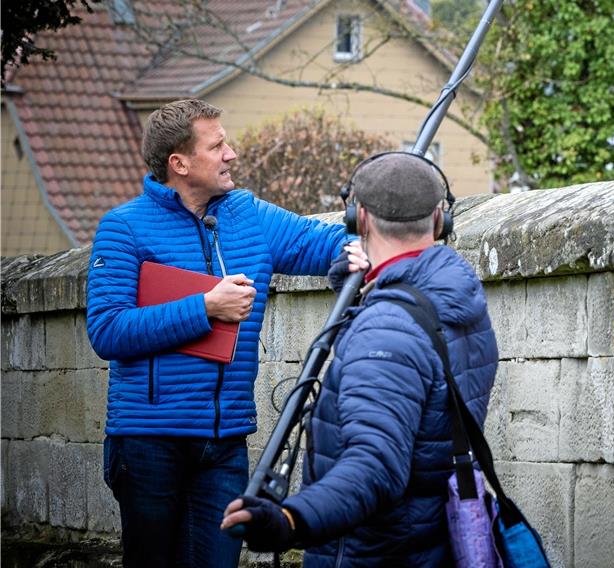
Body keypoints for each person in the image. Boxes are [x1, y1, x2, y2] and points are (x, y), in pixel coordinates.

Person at [86, 99, 349, 568]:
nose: (232, 154)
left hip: (224, 442)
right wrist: (204, 308)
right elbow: (107, 331)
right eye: (218, 145)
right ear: (179, 163)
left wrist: (379, 243)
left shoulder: (250, 216)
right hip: (148, 444)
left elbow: (325, 244)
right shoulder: (123, 228)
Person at [220, 152, 499, 567]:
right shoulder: (454, 297)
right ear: (439, 220)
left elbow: (375, 467)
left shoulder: (386, 327)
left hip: (374, 551)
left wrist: (290, 519)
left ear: (359, 220)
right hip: (427, 540)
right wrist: (359, 285)